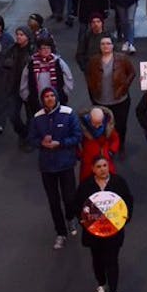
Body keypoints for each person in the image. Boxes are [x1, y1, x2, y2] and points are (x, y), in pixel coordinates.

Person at [73, 156, 133, 292]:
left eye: (105, 165)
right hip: (93, 232)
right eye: (99, 167)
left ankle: (113, 291)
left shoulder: (118, 183)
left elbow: (128, 202)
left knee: (112, 259)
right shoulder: (86, 185)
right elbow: (78, 206)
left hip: (114, 231)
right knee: (97, 259)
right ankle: (101, 283)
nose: (102, 169)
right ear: (93, 169)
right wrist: (84, 223)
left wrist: (124, 219)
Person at [29, 87, 82, 249]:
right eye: (46, 96)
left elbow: (77, 135)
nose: (50, 98)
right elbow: (31, 138)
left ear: (57, 97)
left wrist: (61, 143)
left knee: (69, 197)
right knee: (53, 202)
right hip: (47, 166)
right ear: (42, 99)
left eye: (52, 95)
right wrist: (41, 143)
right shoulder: (37, 118)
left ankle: (71, 218)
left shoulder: (68, 113)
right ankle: (60, 233)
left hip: (66, 163)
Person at [78, 106, 121, 180]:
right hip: (88, 161)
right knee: (87, 182)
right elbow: (76, 142)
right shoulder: (81, 128)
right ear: (89, 119)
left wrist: (111, 151)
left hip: (105, 159)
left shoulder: (108, 126)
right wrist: (80, 155)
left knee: (110, 181)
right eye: (95, 123)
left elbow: (115, 139)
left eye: (99, 123)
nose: (97, 126)